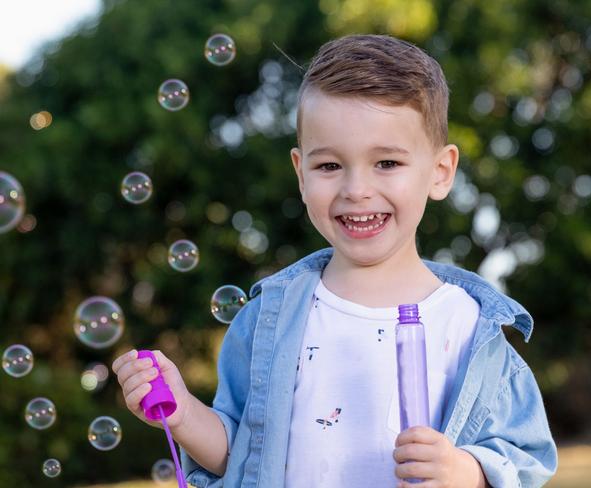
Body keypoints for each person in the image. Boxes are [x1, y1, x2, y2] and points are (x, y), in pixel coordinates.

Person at [112, 34, 557, 487]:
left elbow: (527, 458)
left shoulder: (469, 328)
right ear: (300, 173)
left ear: (440, 172)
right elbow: (239, 452)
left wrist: (469, 472)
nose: (356, 190)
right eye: (329, 166)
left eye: (386, 163)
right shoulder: (269, 319)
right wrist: (183, 413)